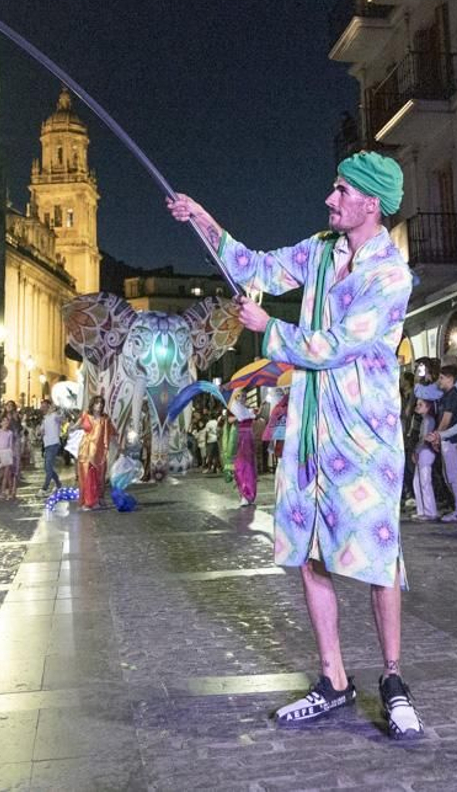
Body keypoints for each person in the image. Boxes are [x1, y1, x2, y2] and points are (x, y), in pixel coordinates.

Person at [168, 148, 424, 740]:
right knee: (310, 553)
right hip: (309, 431)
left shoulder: (391, 275)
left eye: (342, 191)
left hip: (363, 435)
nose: (330, 199)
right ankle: (333, 679)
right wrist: (202, 219)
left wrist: (271, 330)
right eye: (334, 187)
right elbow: (254, 267)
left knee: (379, 559)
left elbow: (342, 342)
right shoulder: (320, 250)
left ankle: (392, 678)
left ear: (372, 203)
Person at [433, 365, 457, 524]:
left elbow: (446, 420)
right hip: (447, 440)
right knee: (448, 476)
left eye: (441, 378)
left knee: (454, 476)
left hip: (453, 441)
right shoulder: (446, 396)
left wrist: (436, 436)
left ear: (450, 379)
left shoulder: (453, 396)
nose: (439, 381)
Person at [409, 398, 439, 522]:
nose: (417, 406)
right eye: (417, 404)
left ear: (428, 407)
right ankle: (421, 510)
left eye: (421, 404)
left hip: (425, 451)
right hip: (422, 450)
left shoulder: (428, 420)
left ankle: (430, 511)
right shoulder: (424, 419)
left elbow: (425, 438)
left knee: (424, 481)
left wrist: (417, 451)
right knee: (417, 481)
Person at [231, 397, 259, 507]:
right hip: (238, 438)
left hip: (247, 438)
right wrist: (238, 417)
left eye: (243, 396)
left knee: (248, 467)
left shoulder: (248, 410)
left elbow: (255, 418)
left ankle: (248, 495)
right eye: (239, 396)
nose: (242, 398)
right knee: (239, 467)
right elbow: (229, 420)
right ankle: (244, 494)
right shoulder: (233, 408)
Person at [39, 398, 63, 493]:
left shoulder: (54, 416)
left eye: (45, 406)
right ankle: (58, 484)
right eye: (42, 406)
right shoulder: (45, 419)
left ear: (49, 407)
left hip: (54, 444)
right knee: (47, 467)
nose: (43, 408)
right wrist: (40, 432)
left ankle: (44, 488)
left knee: (48, 467)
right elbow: (41, 431)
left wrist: (58, 410)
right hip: (47, 445)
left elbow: (60, 418)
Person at [0, 412, 18, 500]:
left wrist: (11, 454)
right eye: (4, 421)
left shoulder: (10, 433)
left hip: (7, 453)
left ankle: (3, 491)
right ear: (1, 423)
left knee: (6, 474)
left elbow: (10, 445)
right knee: (0, 474)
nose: (6, 422)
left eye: (7, 421)